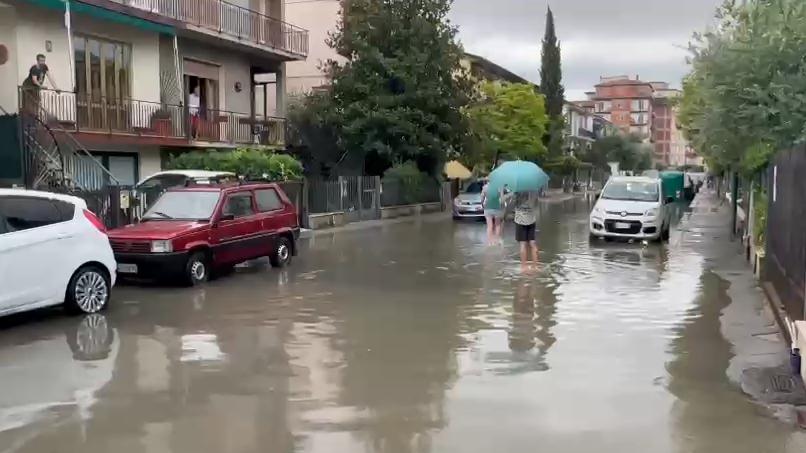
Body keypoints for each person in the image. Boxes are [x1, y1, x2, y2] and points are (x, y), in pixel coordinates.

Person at [513, 191, 539, 269]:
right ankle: (535, 266)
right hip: (531, 220)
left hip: (520, 221)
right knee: (532, 243)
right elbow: (536, 204)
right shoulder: (534, 191)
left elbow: (509, 204)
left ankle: (523, 267)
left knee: (522, 244)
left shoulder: (517, 192)